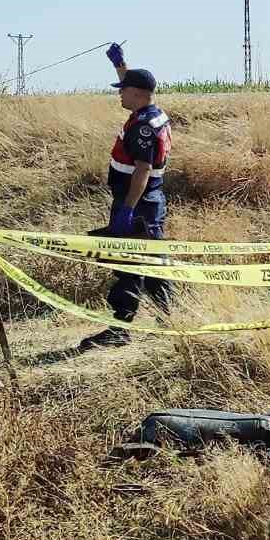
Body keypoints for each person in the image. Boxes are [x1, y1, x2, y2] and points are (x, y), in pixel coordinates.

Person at [79, 43, 174, 350]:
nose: (118, 93)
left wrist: (127, 210)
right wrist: (120, 64)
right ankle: (170, 321)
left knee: (129, 264)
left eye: (123, 89)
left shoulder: (143, 126)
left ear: (136, 93)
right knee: (154, 263)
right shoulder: (151, 112)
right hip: (147, 203)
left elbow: (142, 170)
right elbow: (133, 81)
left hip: (138, 203)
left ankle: (120, 328)